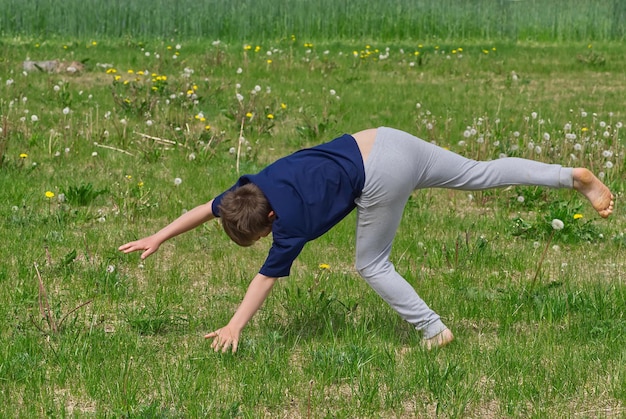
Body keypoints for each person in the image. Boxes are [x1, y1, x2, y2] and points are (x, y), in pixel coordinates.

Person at [119, 127, 614, 353]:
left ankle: (434, 331)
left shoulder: (287, 224)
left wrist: (233, 326)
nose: (271, 237)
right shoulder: (251, 189)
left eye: (266, 233)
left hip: (378, 176)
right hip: (384, 138)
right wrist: (159, 236)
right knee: (478, 172)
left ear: (270, 220)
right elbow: (205, 211)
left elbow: (266, 278)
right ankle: (571, 177)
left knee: (372, 264)